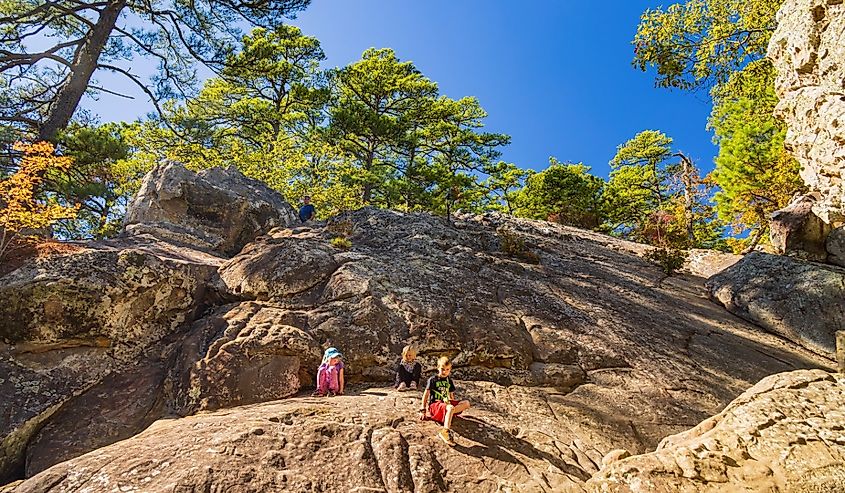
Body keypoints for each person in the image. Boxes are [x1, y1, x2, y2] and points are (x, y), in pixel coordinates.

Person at [419, 356, 471, 446]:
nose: (444, 372)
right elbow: (426, 395)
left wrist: (452, 404)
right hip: (435, 405)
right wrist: (423, 410)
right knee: (450, 408)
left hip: (446, 403)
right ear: (438, 367)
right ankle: (445, 431)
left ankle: (449, 414)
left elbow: (451, 395)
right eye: (442, 369)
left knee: (466, 403)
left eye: (447, 369)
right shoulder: (433, 380)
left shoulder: (449, 380)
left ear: (450, 370)